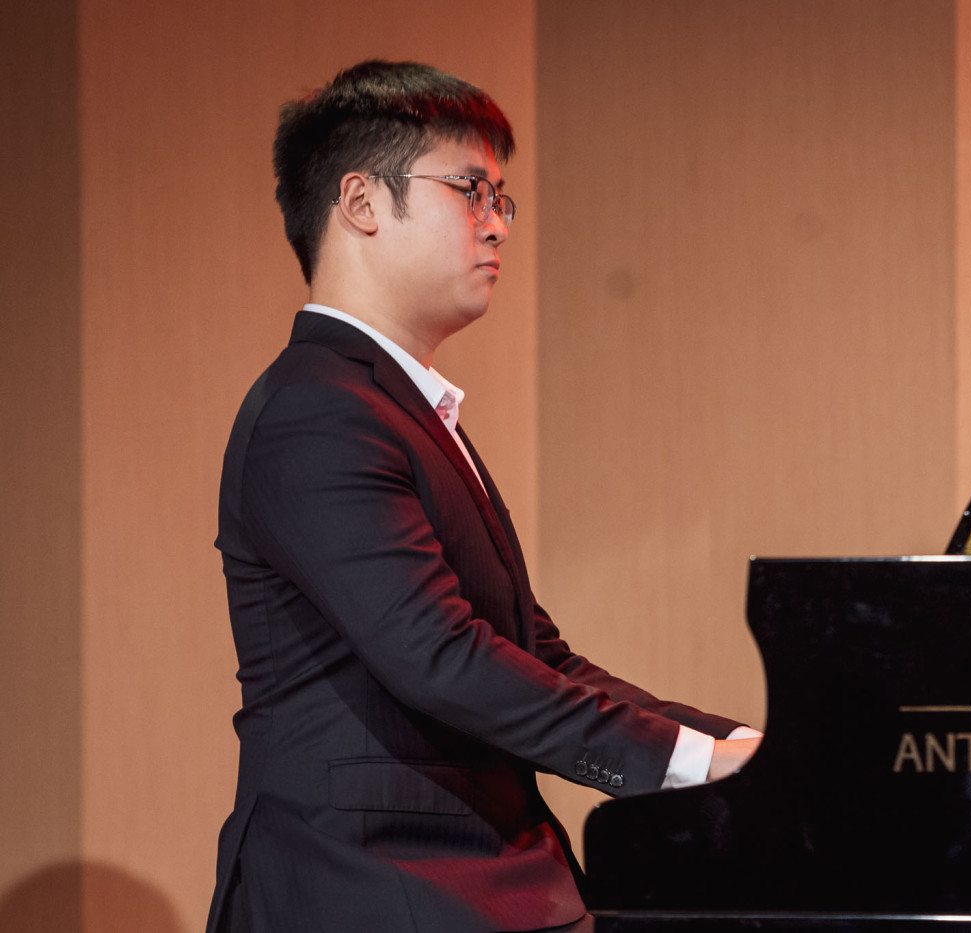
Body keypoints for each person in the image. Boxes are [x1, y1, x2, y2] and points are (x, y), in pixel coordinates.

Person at [207, 60, 760, 933]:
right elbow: (440, 657)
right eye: (471, 191)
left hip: (468, 881)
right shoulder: (318, 411)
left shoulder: (395, 407)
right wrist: (691, 764)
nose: (497, 223)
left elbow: (538, 654)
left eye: (502, 199)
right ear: (361, 202)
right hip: (375, 887)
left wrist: (738, 751)